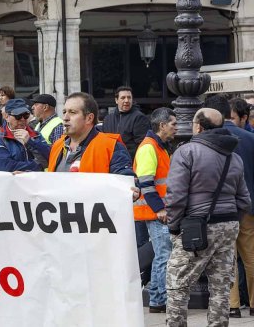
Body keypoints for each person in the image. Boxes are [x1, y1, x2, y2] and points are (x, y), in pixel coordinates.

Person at [165, 108, 250, 327]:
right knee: (221, 287)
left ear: (198, 127)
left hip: (197, 226)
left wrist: (174, 227)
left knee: (178, 284)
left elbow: (176, 196)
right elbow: (244, 199)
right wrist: (232, 221)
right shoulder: (234, 157)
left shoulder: (186, 152)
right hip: (229, 225)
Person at [209, 95, 254, 319]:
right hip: (248, 206)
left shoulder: (210, 140)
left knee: (228, 257)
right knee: (251, 256)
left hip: (222, 208)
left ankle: (233, 305)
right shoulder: (249, 138)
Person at [134, 108, 174, 315]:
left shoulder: (157, 147)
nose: (176, 128)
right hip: (154, 212)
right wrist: (159, 209)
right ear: (162, 125)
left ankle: (158, 298)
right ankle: (158, 299)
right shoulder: (150, 148)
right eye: (173, 124)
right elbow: (147, 183)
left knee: (162, 254)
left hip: (155, 211)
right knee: (164, 255)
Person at [46, 93, 134, 176]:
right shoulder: (57, 146)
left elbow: (126, 185)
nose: (65, 118)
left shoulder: (111, 146)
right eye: (64, 112)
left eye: (72, 112)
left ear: (89, 118)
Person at [0, 101, 44, 173]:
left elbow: (49, 158)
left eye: (25, 115)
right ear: (7, 117)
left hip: (35, 182)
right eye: (18, 116)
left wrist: (30, 142)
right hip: (10, 183)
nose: (22, 119)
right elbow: (5, 167)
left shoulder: (35, 134)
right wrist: (37, 166)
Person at [101, 85, 151, 157]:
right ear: (116, 100)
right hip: (110, 161)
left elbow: (143, 145)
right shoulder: (108, 119)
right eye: (123, 98)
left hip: (129, 162)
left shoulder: (139, 118)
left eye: (129, 97)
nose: (126, 100)